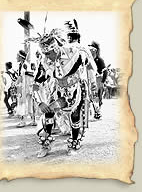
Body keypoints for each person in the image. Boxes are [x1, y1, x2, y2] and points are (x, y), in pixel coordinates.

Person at [30, 24, 97, 158]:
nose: (46, 57)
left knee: (75, 116)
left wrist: (93, 81)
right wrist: (40, 103)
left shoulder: (74, 53)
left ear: (55, 48)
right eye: (44, 54)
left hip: (75, 88)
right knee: (48, 112)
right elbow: (36, 84)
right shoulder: (44, 62)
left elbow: (89, 63)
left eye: (48, 53)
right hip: (58, 90)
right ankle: (46, 144)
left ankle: (73, 144)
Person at [88, 41, 108, 119]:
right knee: (91, 97)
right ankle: (95, 112)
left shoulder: (99, 60)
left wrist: (102, 82)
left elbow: (105, 71)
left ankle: (97, 112)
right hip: (90, 79)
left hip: (98, 80)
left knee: (97, 97)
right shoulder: (88, 60)